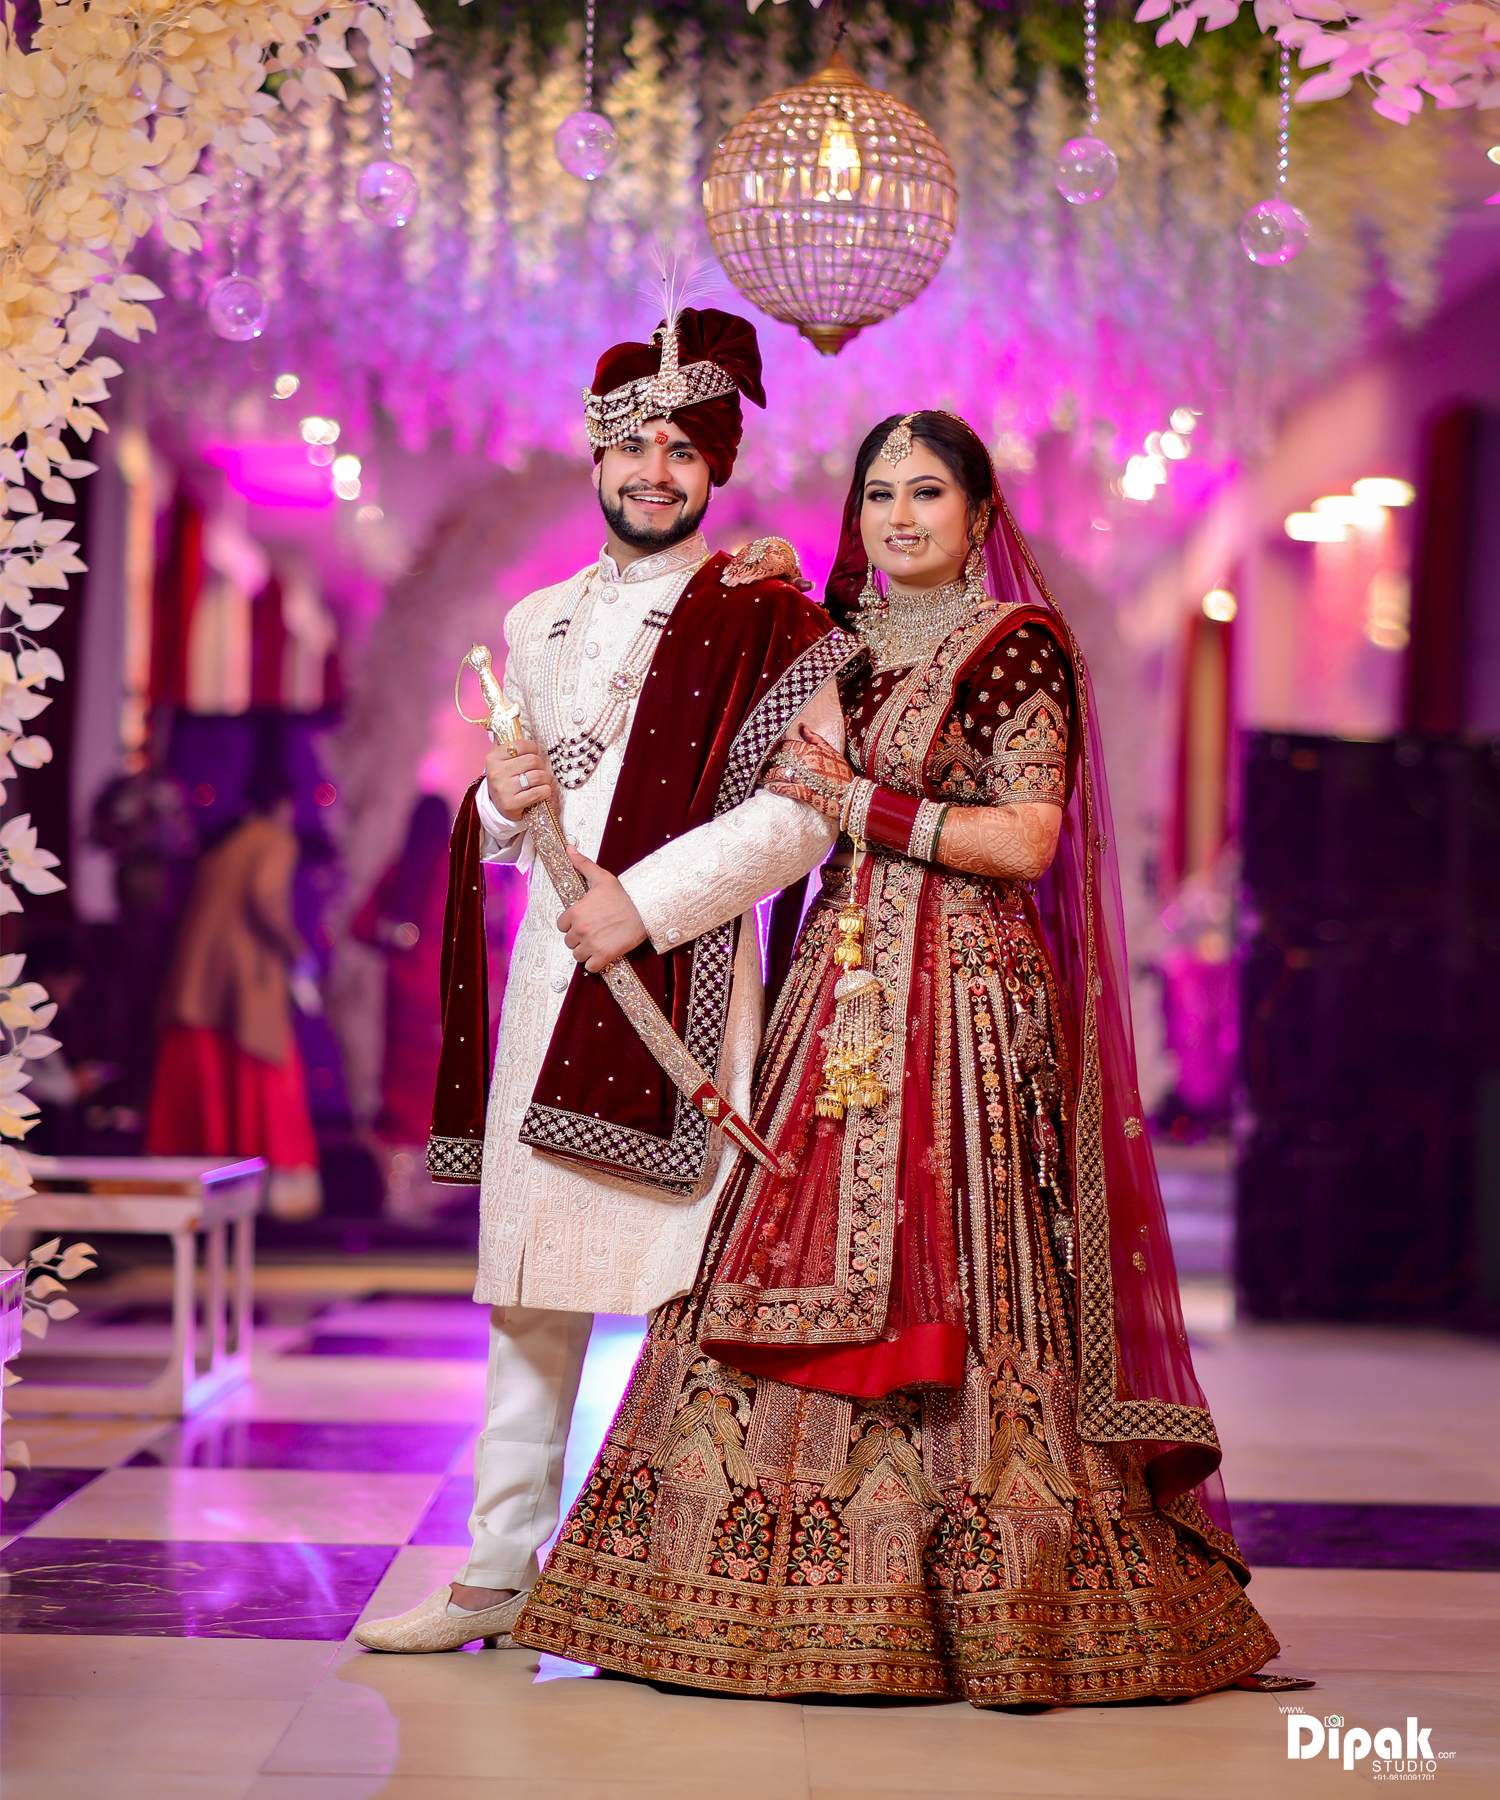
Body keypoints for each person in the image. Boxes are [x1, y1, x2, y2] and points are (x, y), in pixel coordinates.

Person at [512, 412, 1295, 1705]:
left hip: (967, 999)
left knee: (969, 1255)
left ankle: (1000, 1593)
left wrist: (851, 802)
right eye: (879, 494)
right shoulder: (836, 641)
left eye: (927, 493)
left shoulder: (1017, 645)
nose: (900, 517)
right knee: (775, 1241)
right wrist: (750, 585)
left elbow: (1026, 840)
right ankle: (732, 1591)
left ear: (980, 515)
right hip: (837, 988)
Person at [354, 301, 862, 1654]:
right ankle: (493, 1575)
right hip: (551, 983)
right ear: (594, 458)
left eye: (683, 451)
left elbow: (806, 812)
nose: (655, 471)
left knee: (688, 1292)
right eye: (633, 446)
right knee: (530, 1289)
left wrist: (644, 903)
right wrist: (498, 799)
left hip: (681, 983)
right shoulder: (534, 622)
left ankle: (701, 1583)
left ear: (715, 471)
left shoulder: (763, 615)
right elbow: (520, 820)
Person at [143, 761, 323, 1221]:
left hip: (198, 983)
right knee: (267, 1074)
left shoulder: (224, 843)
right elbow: (265, 899)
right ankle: (272, 1191)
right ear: (285, 804)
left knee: (208, 1080)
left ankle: (206, 1187)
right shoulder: (275, 839)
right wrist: (297, 950)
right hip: (246, 985)